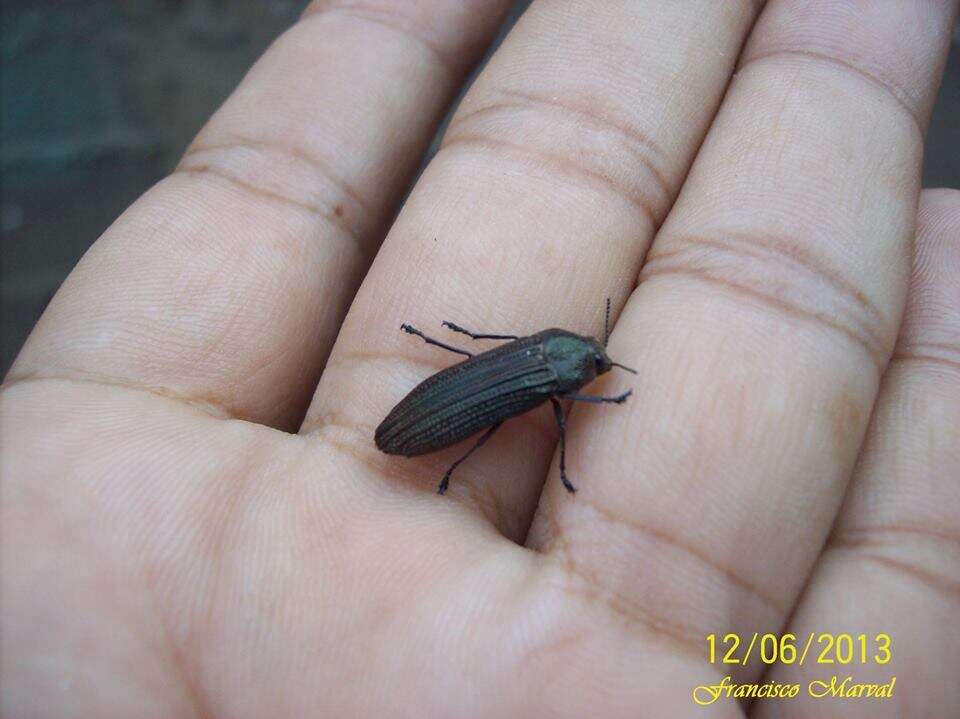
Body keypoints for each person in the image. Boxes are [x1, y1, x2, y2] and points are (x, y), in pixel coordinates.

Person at [3, 2, 958, 716]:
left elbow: (512, 374)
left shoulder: (546, 363)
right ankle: (455, 435)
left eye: (589, 370)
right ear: (566, 369)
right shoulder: (548, 375)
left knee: (479, 403)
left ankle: (454, 424)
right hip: (429, 417)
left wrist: (478, 380)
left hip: (436, 408)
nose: (587, 373)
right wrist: (533, 425)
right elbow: (516, 386)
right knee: (481, 411)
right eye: (589, 371)